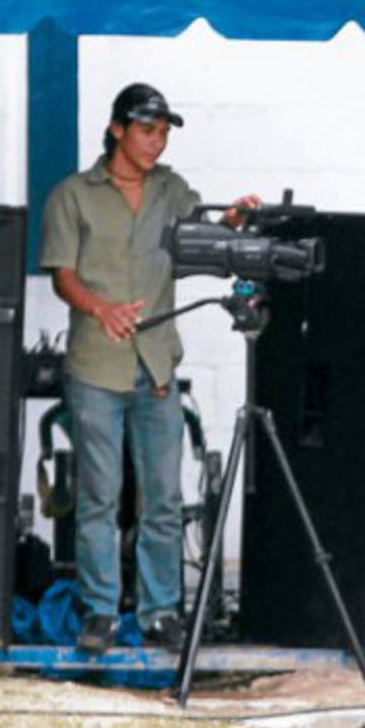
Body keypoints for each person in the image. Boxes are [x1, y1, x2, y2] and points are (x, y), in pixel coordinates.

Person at [39, 83, 258, 654]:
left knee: (163, 497)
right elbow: (62, 275)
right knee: (99, 497)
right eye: (146, 130)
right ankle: (100, 613)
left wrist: (234, 220)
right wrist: (101, 309)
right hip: (97, 364)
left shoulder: (172, 190)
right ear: (117, 130)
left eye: (163, 133)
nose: (156, 142)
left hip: (156, 364)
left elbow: (204, 239)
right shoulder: (72, 195)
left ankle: (161, 611)